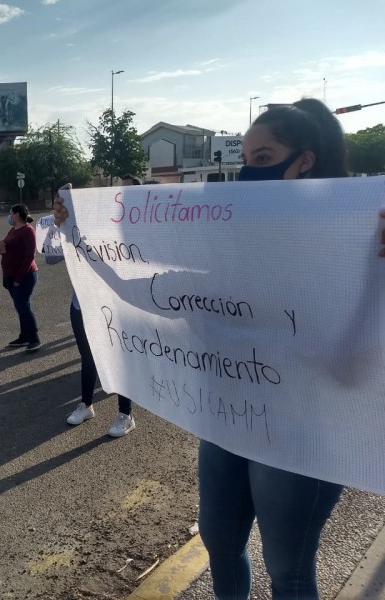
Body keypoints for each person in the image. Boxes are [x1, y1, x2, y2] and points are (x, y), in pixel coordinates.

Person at [197, 98, 348, 600]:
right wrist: (76, 228)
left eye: (263, 159)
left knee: (289, 570)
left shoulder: (357, 228)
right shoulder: (238, 227)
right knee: (219, 542)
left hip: (303, 426)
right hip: (229, 415)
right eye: (246, 159)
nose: (247, 173)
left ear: (304, 160)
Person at [52, 179, 137, 437]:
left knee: (120, 358)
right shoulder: (76, 225)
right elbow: (51, 257)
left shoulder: (128, 227)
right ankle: (86, 404)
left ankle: (126, 414)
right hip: (82, 304)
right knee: (88, 357)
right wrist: (59, 223)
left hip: (114, 306)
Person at [0, 204, 41, 353]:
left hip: (25, 276)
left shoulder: (28, 231)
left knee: (23, 306)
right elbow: (8, 247)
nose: (9, 216)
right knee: (20, 306)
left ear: (16, 215)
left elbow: (29, 256)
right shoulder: (13, 230)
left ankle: (34, 338)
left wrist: (18, 278)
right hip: (10, 275)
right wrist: (2, 249)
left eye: (11, 213)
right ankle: (24, 336)